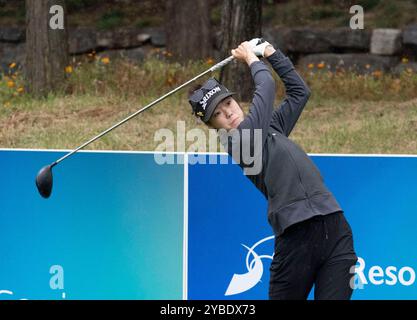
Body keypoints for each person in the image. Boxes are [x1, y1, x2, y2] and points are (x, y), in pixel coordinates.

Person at [188, 39, 358, 300]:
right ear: (214, 126)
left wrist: (271, 52)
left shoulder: (272, 128)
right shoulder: (238, 141)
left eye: (229, 105)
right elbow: (265, 87)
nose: (229, 113)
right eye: (219, 114)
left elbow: (300, 92)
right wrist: (252, 59)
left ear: (235, 101)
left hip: (335, 227)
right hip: (295, 237)